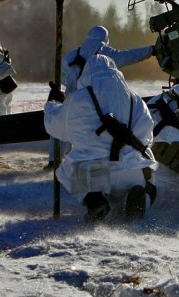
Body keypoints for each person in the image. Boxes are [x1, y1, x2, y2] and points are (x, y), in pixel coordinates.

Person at [44, 54, 157, 221]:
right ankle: (141, 198)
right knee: (143, 171)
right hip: (132, 171)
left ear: (86, 74)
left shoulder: (78, 99)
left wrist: (52, 104)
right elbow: (147, 136)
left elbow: (55, 127)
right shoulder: (135, 99)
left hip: (94, 174)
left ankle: (95, 200)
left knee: (65, 171)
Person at [48, 25, 155, 164]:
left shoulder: (70, 56)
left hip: (72, 97)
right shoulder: (105, 54)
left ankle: (54, 160)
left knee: (66, 126)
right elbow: (130, 55)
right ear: (105, 39)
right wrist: (151, 50)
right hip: (97, 100)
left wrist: (70, 86)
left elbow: (62, 77)